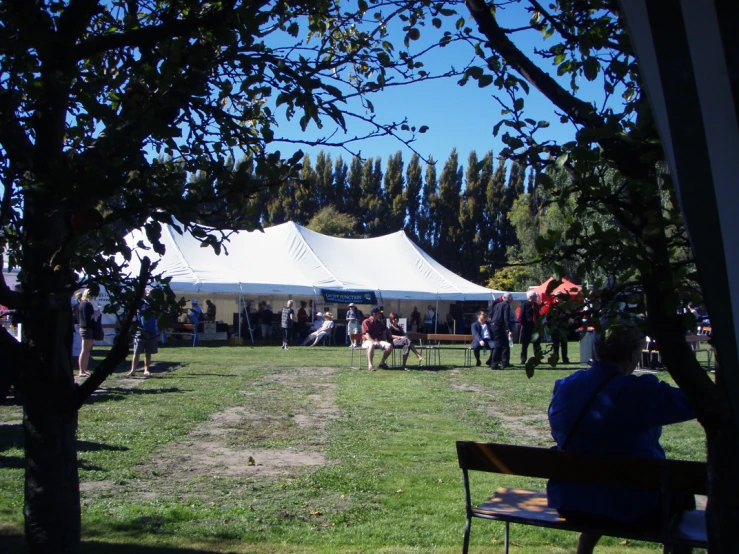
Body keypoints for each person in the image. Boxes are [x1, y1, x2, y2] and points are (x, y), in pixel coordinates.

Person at [547, 318, 696, 554]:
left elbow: (558, 433)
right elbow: (698, 402)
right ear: (633, 354)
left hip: (571, 502)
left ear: (596, 350)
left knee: (598, 475)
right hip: (633, 507)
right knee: (679, 496)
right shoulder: (640, 393)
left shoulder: (566, 386)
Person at [128, 292, 159, 377]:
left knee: (148, 352)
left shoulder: (154, 304)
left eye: (150, 293)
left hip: (151, 330)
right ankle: (133, 370)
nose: (149, 294)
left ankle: (146, 369)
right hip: (140, 330)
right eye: (147, 293)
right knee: (136, 351)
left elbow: (157, 317)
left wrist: (158, 331)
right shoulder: (140, 303)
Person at [77, 288, 100, 378]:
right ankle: (81, 370)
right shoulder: (87, 304)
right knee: (85, 350)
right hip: (87, 328)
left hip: (85, 328)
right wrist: (96, 313)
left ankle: (84, 369)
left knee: (86, 351)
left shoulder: (82, 304)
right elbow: (88, 317)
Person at [361, 306, 393, 371]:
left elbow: (384, 330)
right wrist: (373, 341)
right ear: (374, 314)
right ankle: (370, 365)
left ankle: (382, 363)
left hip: (377, 341)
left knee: (389, 346)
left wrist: (388, 329)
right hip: (367, 341)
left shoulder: (379, 322)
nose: (380, 314)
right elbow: (366, 334)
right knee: (371, 344)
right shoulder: (366, 322)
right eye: (378, 313)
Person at [490, 292, 514, 369]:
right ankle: (494, 364)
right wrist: (509, 329)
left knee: (505, 344)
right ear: (509, 299)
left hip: (494, 325)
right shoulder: (506, 305)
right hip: (498, 326)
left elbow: (492, 313)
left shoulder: (498, 304)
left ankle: (505, 362)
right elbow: (506, 318)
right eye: (512, 298)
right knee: (498, 344)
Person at [519, 291, 542, 364]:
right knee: (525, 344)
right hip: (527, 326)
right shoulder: (525, 304)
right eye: (535, 296)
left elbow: (538, 315)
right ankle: (523, 359)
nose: (536, 298)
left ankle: (537, 358)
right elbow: (521, 315)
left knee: (537, 344)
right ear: (531, 297)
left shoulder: (536, 305)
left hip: (535, 327)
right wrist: (523, 324)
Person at [547, 299, 571, 364]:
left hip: (563, 328)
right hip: (555, 328)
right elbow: (549, 317)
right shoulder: (553, 306)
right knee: (555, 345)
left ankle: (565, 359)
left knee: (564, 345)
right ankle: (555, 359)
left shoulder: (565, 306)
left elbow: (569, 315)